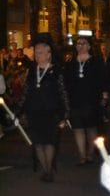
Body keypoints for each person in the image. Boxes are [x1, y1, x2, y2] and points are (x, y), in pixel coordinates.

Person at [17, 35, 70, 182]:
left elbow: (63, 92)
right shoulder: (32, 72)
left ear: (48, 54)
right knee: (38, 143)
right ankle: (46, 169)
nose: (37, 55)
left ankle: (49, 171)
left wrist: (66, 113)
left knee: (49, 142)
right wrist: (18, 111)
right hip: (35, 112)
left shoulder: (57, 72)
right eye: (36, 52)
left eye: (40, 52)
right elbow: (26, 92)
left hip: (51, 113)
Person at [65, 34, 104, 164]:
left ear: (89, 46)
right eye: (78, 44)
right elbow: (67, 81)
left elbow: (101, 80)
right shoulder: (71, 63)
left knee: (91, 127)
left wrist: (103, 94)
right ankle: (82, 156)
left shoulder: (96, 62)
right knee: (78, 128)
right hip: (75, 100)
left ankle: (90, 153)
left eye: (83, 43)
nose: (80, 46)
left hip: (91, 99)